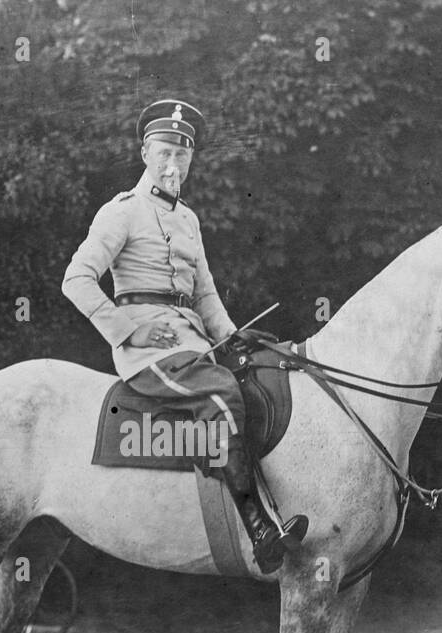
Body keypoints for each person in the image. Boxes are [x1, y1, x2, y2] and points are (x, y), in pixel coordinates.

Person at [62, 99, 307, 573]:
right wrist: (130, 329)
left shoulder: (189, 220)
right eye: (164, 153)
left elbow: (207, 295)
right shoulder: (121, 213)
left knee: (262, 372)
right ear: (144, 154)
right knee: (220, 394)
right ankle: (256, 524)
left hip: (195, 344)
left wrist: (234, 338)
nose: (174, 164)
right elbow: (76, 279)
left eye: (183, 155)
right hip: (147, 353)